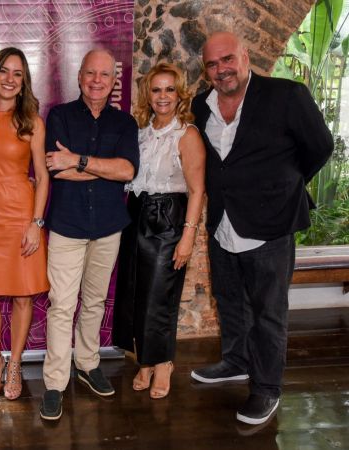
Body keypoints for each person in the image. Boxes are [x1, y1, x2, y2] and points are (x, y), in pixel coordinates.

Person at [189, 32, 333, 425]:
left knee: (268, 311)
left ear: (245, 55)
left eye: (227, 59)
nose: (222, 69)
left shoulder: (287, 95)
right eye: (212, 64)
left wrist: (284, 185)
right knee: (228, 298)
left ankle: (267, 387)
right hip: (223, 221)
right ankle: (236, 361)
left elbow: (320, 147)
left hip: (272, 223)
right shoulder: (201, 105)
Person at [39, 49, 140, 421]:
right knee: (62, 305)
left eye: (104, 75)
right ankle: (54, 383)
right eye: (90, 73)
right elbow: (56, 169)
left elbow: (127, 171)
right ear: (79, 76)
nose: (97, 81)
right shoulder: (60, 116)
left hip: (109, 226)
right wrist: (102, 168)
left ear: (114, 81)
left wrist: (78, 160)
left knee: (95, 301)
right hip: (67, 225)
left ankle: (87, 363)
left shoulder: (125, 123)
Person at [113, 62, 205, 398]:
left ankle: (163, 362)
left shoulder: (187, 135)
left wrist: (188, 236)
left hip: (168, 219)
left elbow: (197, 190)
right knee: (136, 293)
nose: (163, 96)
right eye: (156, 90)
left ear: (179, 95)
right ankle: (146, 360)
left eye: (169, 89)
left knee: (159, 296)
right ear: (147, 95)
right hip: (136, 215)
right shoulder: (140, 132)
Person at [0, 47, 50, 401]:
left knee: (22, 295)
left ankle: (15, 363)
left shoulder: (32, 121)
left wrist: (36, 223)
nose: (10, 79)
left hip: (20, 215)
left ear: (24, 81)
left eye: (18, 73)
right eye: (4, 71)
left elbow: (42, 177)